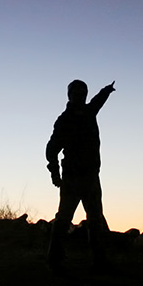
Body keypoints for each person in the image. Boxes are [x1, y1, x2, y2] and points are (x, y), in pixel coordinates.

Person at [46, 78, 115, 271]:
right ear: (70, 96)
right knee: (64, 219)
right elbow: (52, 148)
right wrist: (54, 172)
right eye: (77, 93)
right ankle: (55, 259)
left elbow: (97, 101)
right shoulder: (65, 120)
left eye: (82, 93)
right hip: (73, 178)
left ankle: (99, 261)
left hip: (91, 176)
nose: (80, 96)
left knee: (95, 219)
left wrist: (106, 91)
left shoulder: (88, 112)